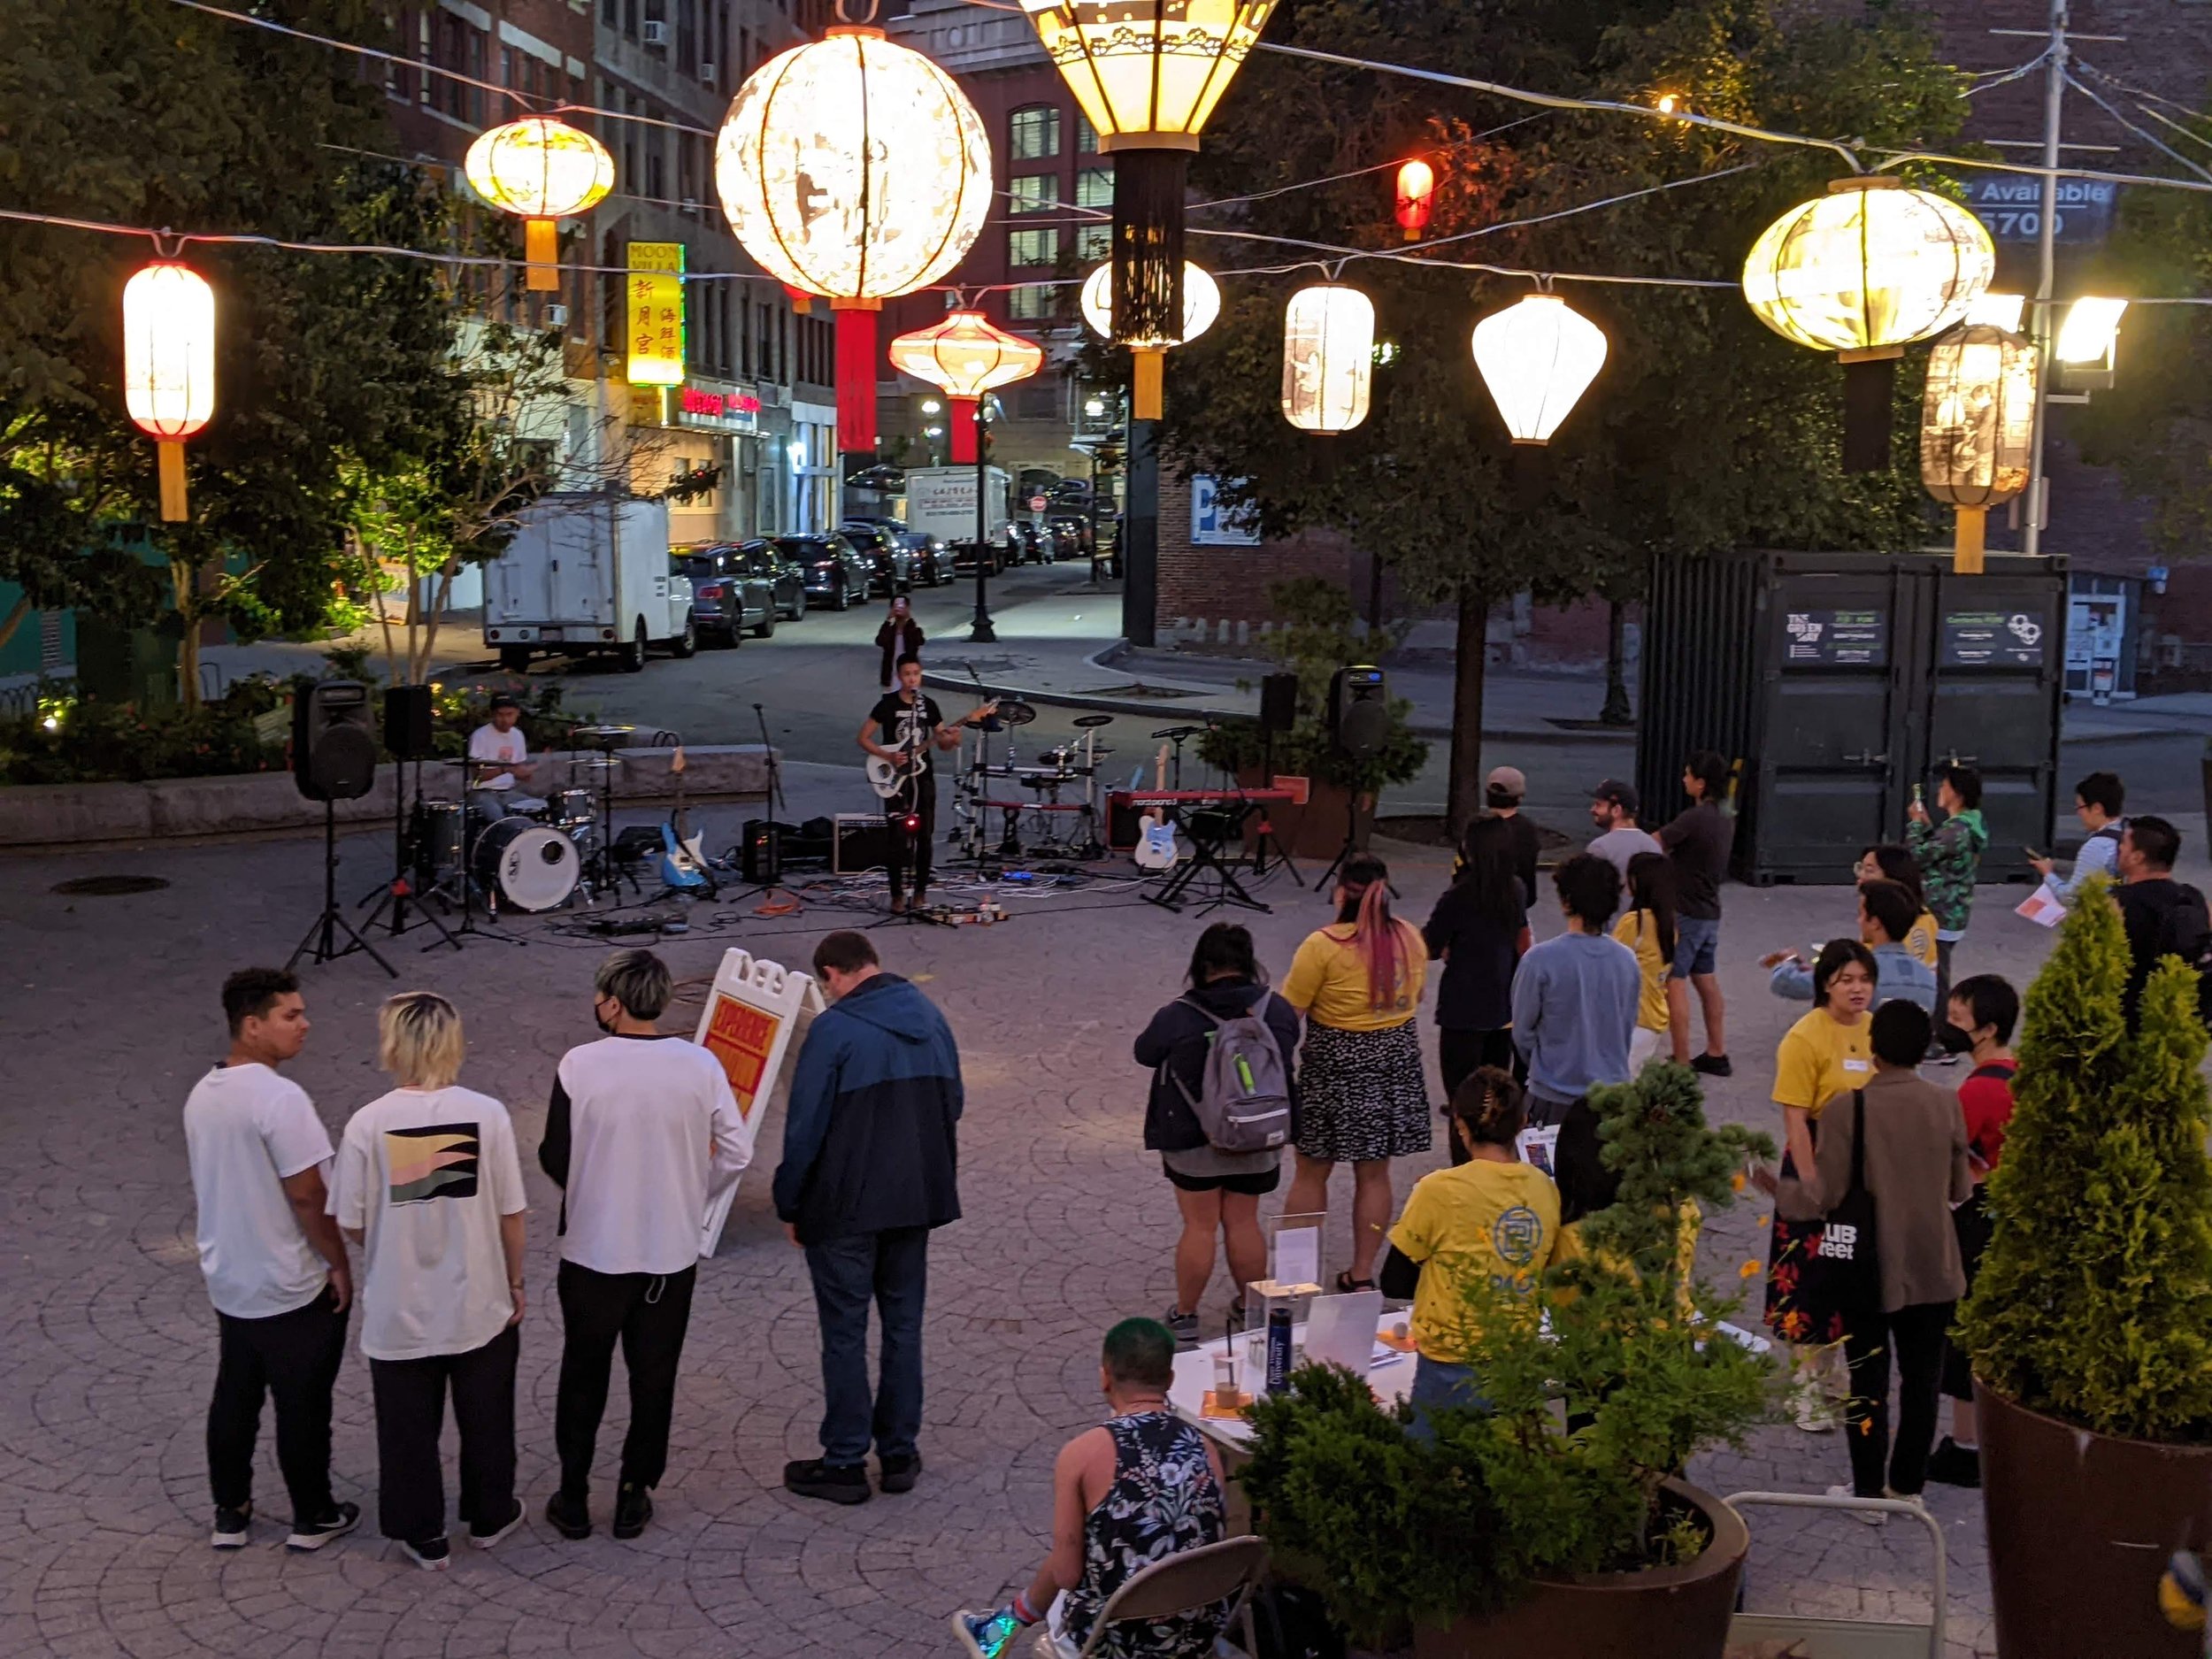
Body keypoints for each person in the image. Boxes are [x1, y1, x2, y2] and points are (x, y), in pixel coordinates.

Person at [539, 949, 750, 1541]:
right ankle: (635, 1491)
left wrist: (592, 1186)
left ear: (611, 999)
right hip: (669, 1252)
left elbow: (555, 1154)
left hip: (593, 1251)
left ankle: (574, 1492)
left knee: (584, 1370)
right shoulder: (700, 1063)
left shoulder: (580, 1063)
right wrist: (692, 1192)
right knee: (653, 1374)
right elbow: (736, 1151)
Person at [331, 992, 526, 1570]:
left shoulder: (368, 1123)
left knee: (406, 1425)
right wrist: (515, 1279)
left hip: (400, 1305)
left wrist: (391, 1245)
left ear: (393, 1045)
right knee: (488, 1415)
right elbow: (510, 1212)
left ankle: (422, 1531)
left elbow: (350, 1218)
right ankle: (490, 1514)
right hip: (478, 1297)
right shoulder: (487, 1113)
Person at [1758, 1001, 1970, 1513]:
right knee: (1922, 1381)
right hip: (1933, 1262)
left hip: (1868, 1265)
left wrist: (1774, 1186)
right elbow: (1959, 1187)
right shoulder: (1947, 1103)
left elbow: (1824, 1195)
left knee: (1867, 1380)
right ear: (1925, 1049)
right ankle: (1907, 1487)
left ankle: (1869, 1490)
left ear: (1873, 1050)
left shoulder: (1845, 1108)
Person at [776, 931, 964, 1505]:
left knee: (845, 1332)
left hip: (845, 1205)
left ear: (832, 974)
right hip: (916, 1198)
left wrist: (791, 1201)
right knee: (904, 1327)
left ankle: (845, 1460)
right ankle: (900, 1452)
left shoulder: (833, 1029)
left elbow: (805, 1126)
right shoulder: (929, 1017)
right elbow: (952, 1103)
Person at [185, 969, 359, 1554]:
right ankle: (314, 1513)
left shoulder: (202, 1093)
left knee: (235, 1394)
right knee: (302, 1405)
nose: (305, 1024)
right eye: (291, 1015)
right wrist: (338, 1262)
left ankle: (229, 1510)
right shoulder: (280, 1098)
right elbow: (309, 1194)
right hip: (290, 1281)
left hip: (230, 1277)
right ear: (252, 1024)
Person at [953, 1319, 1229, 1659]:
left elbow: (1067, 1574)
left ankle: (998, 1631)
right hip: (1195, 1635)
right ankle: (998, 1630)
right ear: (1170, 1380)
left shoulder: (1082, 1454)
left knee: (1074, 1559)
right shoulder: (1207, 1448)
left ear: (1104, 1376)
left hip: (1112, 1641)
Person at [1133, 924, 1302, 1348]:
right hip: (1258, 1133)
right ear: (1249, 963)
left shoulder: (1178, 1014)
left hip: (1194, 1139)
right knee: (1244, 1222)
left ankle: (1186, 1315)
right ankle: (1250, 1309)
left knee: (1200, 1226)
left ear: (1201, 965)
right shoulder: (1276, 1010)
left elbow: (1144, 1052)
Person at [1280, 853, 1430, 1294]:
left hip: (1332, 1067)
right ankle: (1362, 1274)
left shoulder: (1322, 945)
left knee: (1310, 1172)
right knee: (1374, 1173)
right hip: (1391, 1065)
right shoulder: (1410, 938)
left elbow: (1291, 1013)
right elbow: (1414, 998)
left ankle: (1295, 1276)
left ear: (1341, 891)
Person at [1378, 1067, 1567, 1414]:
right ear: (1523, 1122)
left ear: (1461, 1127)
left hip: (1451, 1359)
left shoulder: (1438, 1189)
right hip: (1517, 1352)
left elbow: (1394, 1280)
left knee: (1436, 1458)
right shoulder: (1544, 1188)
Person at [1762, 938, 1877, 1433]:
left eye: (1864, 979)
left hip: (1863, 1173)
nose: (1857, 989)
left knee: (1846, 1271)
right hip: (1814, 1164)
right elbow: (1794, 1122)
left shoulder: (1877, 1031)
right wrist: (1812, 1186)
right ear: (1824, 984)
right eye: (1845, 980)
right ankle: (1804, 1388)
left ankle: (1833, 1375)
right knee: (1806, 1277)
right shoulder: (1804, 1038)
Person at [1930, 973, 2019, 1490]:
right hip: (2008, 1212)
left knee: (1963, 1332)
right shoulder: (2019, 1073)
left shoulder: (1978, 1090)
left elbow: (1950, 1156)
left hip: (1976, 1215)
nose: (1949, 1026)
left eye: (1958, 1019)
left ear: (1986, 1030)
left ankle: (1965, 1446)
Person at [1423, 815, 1531, 1162]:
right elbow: (1522, 941)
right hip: (1503, 1007)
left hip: (1462, 1009)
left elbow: (1428, 944)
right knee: (1496, 1098)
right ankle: (1497, 1164)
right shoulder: (1515, 889)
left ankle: (1464, 1169)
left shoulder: (1458, 896)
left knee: (1463, 1101)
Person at [857, 656, 998, 914]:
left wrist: (954, 738)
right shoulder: (887, 705)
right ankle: (897, 894)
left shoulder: (928, 706)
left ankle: (921, 892)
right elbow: (863, 738)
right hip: (896, 777)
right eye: (907, 673)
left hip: (923, 777)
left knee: (925, 836)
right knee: (896, 838)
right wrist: (887, 755)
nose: (912, 678)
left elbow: (942, 743)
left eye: (916, 673)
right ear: (900, 677)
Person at [1509, 854, 1640, 1129]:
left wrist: (1546, 1063)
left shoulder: (1539, 960)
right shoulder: (1627, 960)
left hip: (1552, 1093)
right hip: (1611, 1095)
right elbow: (1626, 1025)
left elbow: (1522, 1032)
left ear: (1566, 901)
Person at [1658, 749, 1735, 1075]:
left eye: (1689, 775)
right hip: (1709, 910)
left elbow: (1655, 842)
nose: (1684, 779)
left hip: (1686, 911)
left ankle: (1681, 1058)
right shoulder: (1724, 817)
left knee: (1674, 980)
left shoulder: (1693, 818)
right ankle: (1717, 1051)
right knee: (1705, 980)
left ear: (1701, 783)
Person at [1906, 763, 1987, 1057]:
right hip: (1952, 910)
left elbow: (1917, 857)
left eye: (1944, 786)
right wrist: (1928, 827)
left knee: (1937, 977)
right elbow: (1940, 855)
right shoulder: (1966, 825)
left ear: (1957, 793)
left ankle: (1939, 1039)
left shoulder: (1956, 830)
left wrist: (1916, 824)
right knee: (1936, 971)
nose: (1940, 790)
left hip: (1942, 913)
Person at [1764, 879, 1937, 1013]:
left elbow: (1786, 984)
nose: (1858, 921)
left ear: (1875, 923)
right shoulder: (1927, 977)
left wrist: (1788, 961)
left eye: (1861, 914)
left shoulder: (1857, 969)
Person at [2112, 815, 2212, 1027]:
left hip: (2129, 1015)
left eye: (2124, 844)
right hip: (2181, 1016)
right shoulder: (2194, 897)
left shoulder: (2117, 901)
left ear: (2136, 857)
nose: (2119, 848)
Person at [1612, 851, 1676, 1072]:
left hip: (1635, 1019)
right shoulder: (1667, 924)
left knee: (1620, 1085)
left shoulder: (1633, 923)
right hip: (1655, 1016)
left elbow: (1610, 963)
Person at [2028, 769, 2126, 909]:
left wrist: (2047, 874)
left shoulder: (2097, 846)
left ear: (2097, 808)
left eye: (2080, 807)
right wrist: (2057, 865)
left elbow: (2071, 897)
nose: (2079, 813)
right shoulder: (2126, 833)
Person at [1855, 844, 1939, 969]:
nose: (1861, 876)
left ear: (1893, 876)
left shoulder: (1918, 926)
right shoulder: (1879, 911)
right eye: (1860, 868)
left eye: (1869, 870)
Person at [466, 695, 542, 818]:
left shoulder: (517, 735)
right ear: (492, 714)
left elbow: (519, 772)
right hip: (483, 793)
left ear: (518, 713)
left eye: (509, 714)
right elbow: (477, 777)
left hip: (508, 792)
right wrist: (505, 769)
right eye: (500, 715)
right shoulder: (480, 736)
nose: (505, 720)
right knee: (497, 817)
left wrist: (526, 774)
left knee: (539, 808)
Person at [1484, 766, 1543, 906]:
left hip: (1476, 908)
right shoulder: (1527, 830)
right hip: (1514, 907)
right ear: (1519, 798)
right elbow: (1527, 871)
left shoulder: (1476, 827)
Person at [1586, 777, 1662, 879]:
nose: (1592, 810)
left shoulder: (1599, 848)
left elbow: (1589, 890)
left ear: (1616, 810)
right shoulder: (1653, 847)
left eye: (1598, 805)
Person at [874, 594, 925, 691]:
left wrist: (909, 620)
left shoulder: (913, 629)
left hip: (909, 676)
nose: (899, 609)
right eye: (896, 606)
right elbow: (880, 641)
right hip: (891, 675)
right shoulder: (889, 630)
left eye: (902, 606)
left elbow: (919, 641)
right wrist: (888, 620)